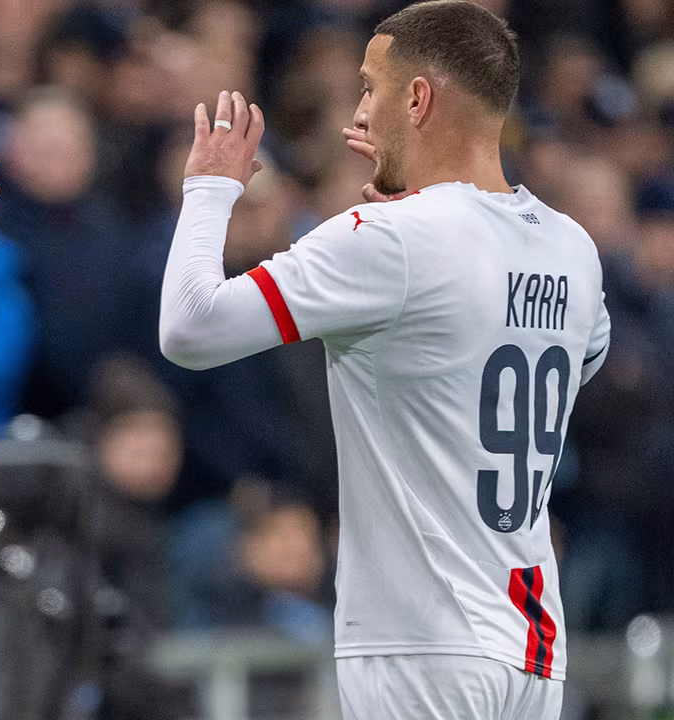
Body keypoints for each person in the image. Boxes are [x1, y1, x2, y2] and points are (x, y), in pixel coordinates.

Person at [158, 2, 609, 719]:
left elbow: (190, 327)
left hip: (423, 644)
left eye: (370, 87)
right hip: (532, 648)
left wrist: (210, 188)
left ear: (418, 98)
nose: (360, 111)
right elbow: (582, 356)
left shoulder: (389, 238)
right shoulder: (571, 245)